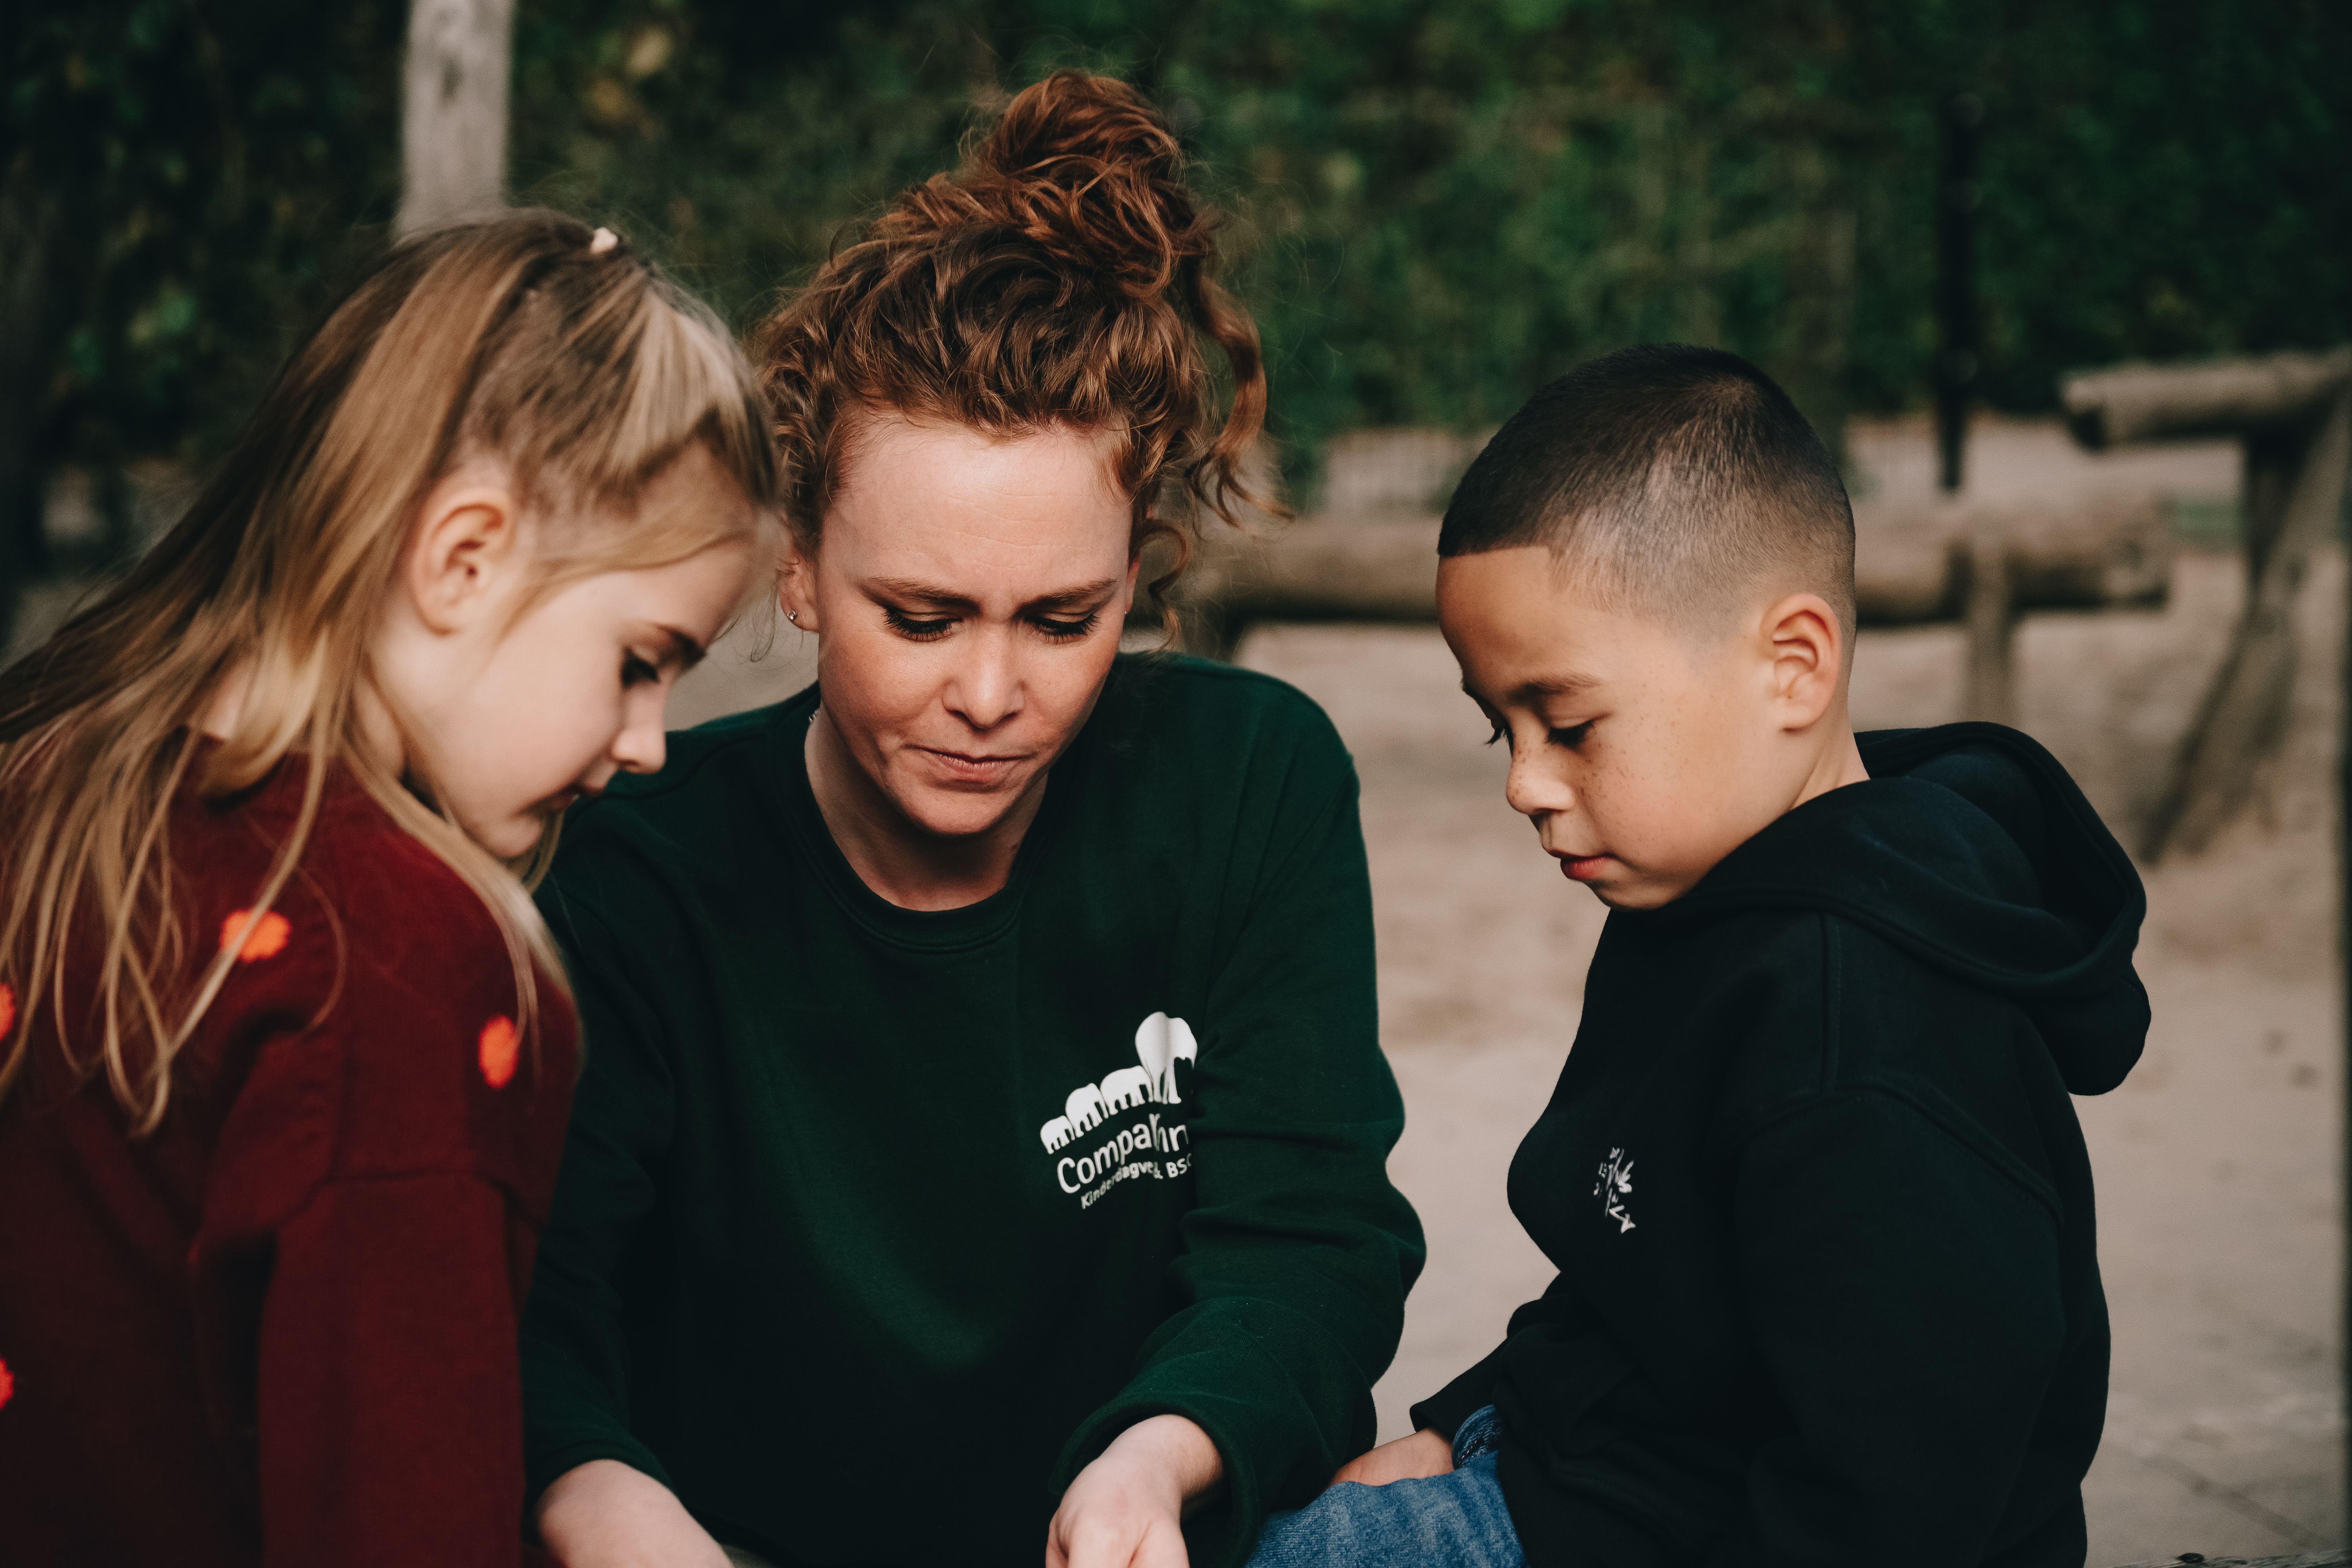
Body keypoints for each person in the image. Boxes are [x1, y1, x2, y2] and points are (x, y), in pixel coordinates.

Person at [519, 72, 1425, 1568]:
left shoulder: (1252, 779)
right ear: (798, 568)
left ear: (1138, 578)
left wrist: (1158, 1462)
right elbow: (541, 1315)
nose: (992, 692)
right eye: (922, 617)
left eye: (1064, 619)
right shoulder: (633, 866)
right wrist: (605, 1502)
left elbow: (1309, 1241)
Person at [1251, 343, 2150, 1568]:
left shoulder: (1862, 1043)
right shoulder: (1706, 892)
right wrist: (1470, 1413)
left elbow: (1892, 1498)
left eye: (1566, 724)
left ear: (1792, 665)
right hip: (1594, 1464)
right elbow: (1651, 1281)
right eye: (1498, 729)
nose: (1524, 782)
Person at [0, 211, 779, 1568]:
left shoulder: (51, 783)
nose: (648, 742)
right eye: (643, 659)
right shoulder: (399, 960)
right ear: (462, 557)